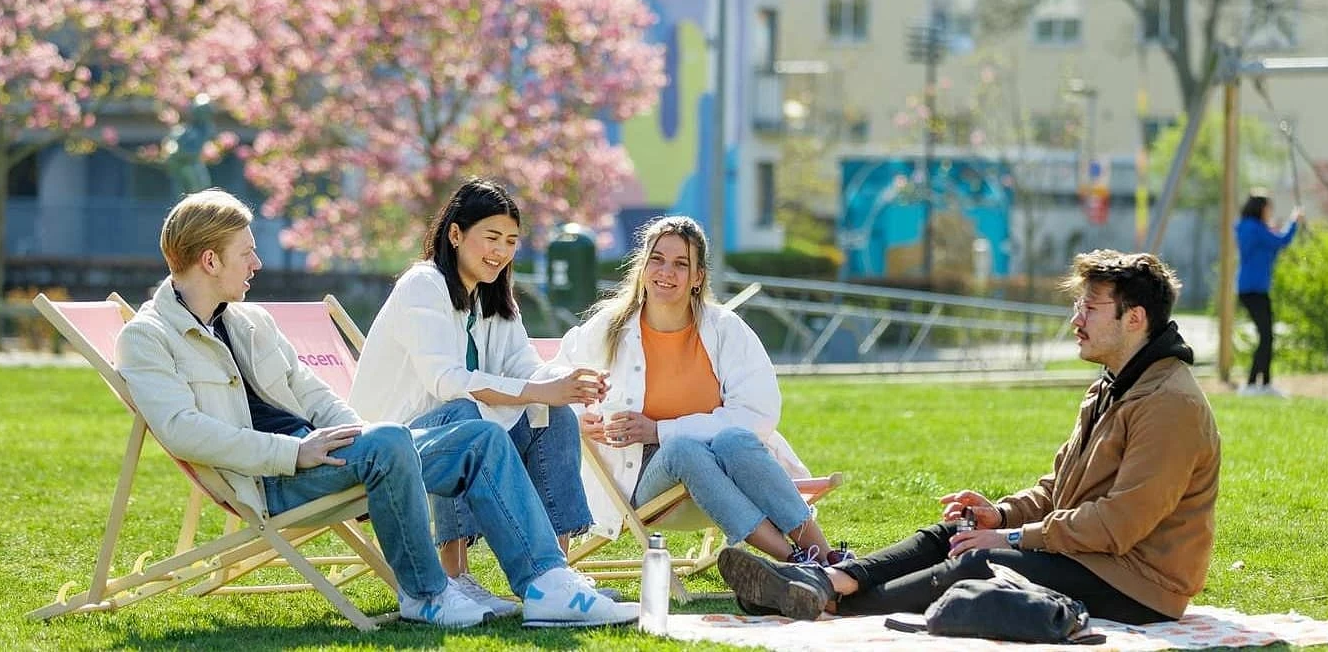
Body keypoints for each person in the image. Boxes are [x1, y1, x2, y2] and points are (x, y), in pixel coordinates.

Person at [116, 189, 637, 629]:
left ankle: (545, 582)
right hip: (275, 476)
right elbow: (184, 432)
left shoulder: (251, 322)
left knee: (478, 436)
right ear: (211, 260)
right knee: (406, 433)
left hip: (335, 454)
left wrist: (359, 435)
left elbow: (313, 392)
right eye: (246, 253)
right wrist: (295, 452)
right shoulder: (148, 338)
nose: (257, 263)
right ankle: (428, 593)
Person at [717, 250, 1221, 626]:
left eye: (1090, 308)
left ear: (1134, 319)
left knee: (979, 560)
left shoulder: (1169, 403)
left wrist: (1010, 537)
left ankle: (825, 599)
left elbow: (1119, 524)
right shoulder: (1110, 387)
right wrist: (997, 515)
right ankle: (822, 581)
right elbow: (1057, 492)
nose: (1075, 320)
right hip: (1092, 556)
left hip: (1139, 585)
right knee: (952, 535)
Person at [350, 177, 607, 617]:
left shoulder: (491, 297)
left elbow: (525, 365)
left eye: (511, 241)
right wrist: (537, 389)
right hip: (391, 443)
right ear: (455, 234)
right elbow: (445, 381)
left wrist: (567, 383)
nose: (501, 251)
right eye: (491, 237)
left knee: (555, 413)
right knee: (464, 414)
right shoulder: (423, 285)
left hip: (457, 428)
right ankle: (456, 574)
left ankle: (555, 575)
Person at [547, 215, 843, 567]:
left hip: (730, 469)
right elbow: (555, 375)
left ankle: (828, 557)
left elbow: (758, 413)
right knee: (684, 449)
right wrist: (581, 418)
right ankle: (797, 561)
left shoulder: (726, 329)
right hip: (646, 480)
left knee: (735, 439)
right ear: (643, 267)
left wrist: (659, 429)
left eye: (680, 264)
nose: (665, 272)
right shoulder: (609, 327)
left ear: (698, 277)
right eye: (656, 259)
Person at [1234, 192, 1301, 397]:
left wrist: (1271, 230)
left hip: (1249, 288)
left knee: (1267, 336)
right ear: (1261, 209)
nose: (1270, 212)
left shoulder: (1247, 228)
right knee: (1266, 336)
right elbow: (1282, 241)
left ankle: (1262, 383)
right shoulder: (1256, 229)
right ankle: (1255, 383)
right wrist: (1294, 221)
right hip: (1255, 289)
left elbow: (1268, 246)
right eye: (1268, 208)